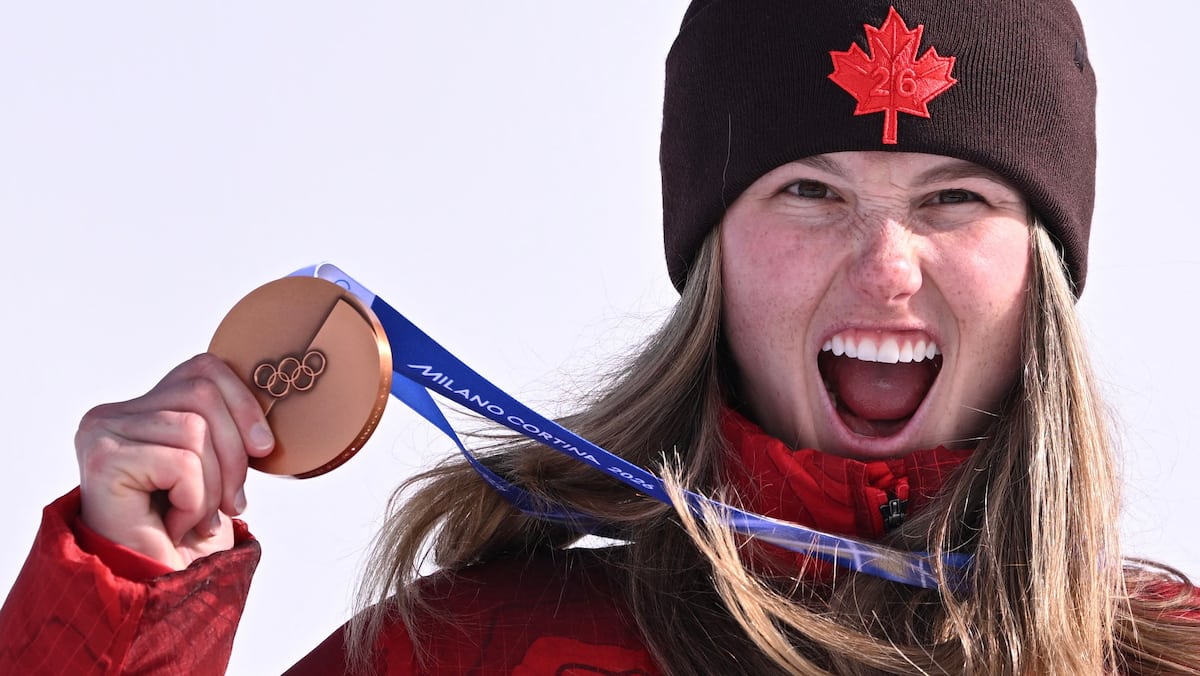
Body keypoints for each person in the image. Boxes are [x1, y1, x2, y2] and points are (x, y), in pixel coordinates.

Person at [3, 0, 1200, 673]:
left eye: (954, 199)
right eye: (809, 192)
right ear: (712, 256)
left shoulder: (1163, 654)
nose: (886, 266)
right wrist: (119, 606)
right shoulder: (476, 649)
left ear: (1041, 270)